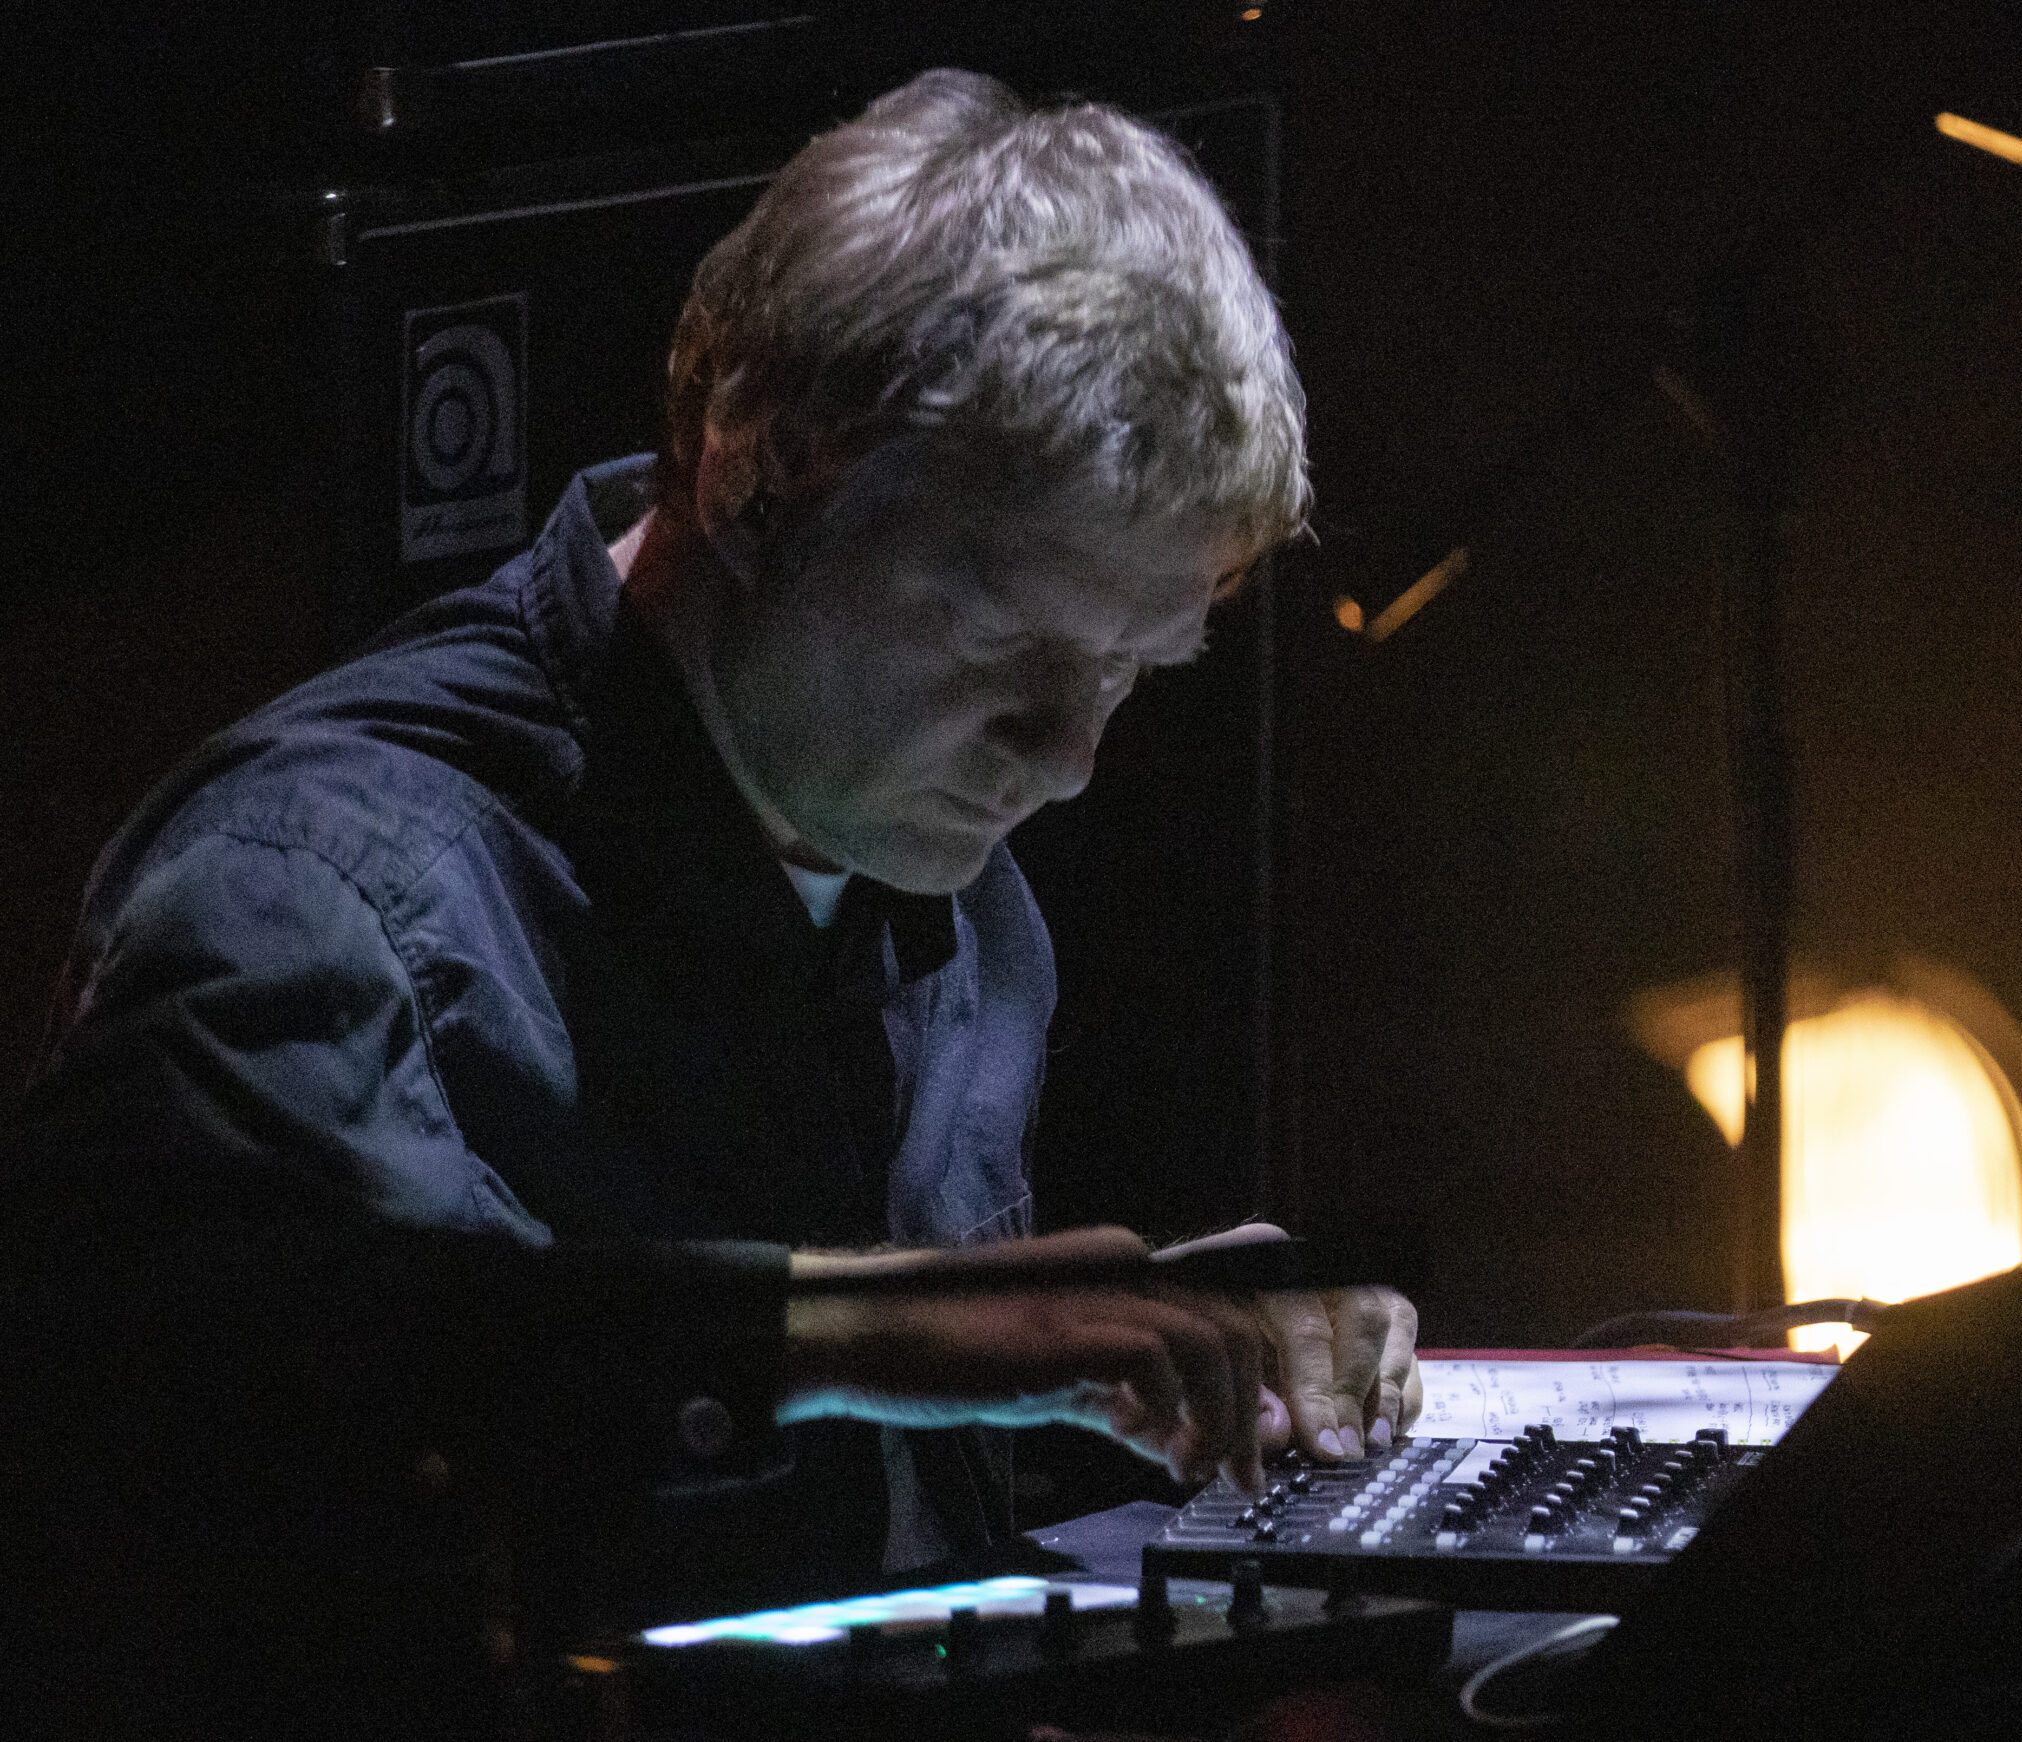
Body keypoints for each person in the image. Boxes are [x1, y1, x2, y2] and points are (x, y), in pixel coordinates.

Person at [1, 68, 1417, 1719]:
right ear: (755, 469)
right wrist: (871, 1332)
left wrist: (1151, 1367)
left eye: (1131, 669)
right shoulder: (301, 894)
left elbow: (847, 1547)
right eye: (998, 641)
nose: (1068, 755)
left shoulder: (956, 899)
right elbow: (190, 1408)